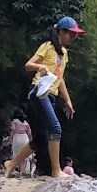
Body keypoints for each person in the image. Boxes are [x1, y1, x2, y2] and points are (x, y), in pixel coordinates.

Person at [24, 16, 83, 178]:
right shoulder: (47, 46)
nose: (73, 38)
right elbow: (28, 65)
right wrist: (40, 66)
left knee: (42, 137)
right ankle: (56, 170)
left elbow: (60, 78)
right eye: (71, 34)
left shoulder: (64, 53)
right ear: (61, 32)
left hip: (51, 95)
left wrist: (68, 100)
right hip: (39, 91)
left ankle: (10, 165)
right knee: (55, 128)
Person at [1, 107, 35, 176]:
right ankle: (24, 171)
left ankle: (16, 171)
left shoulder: (14, 122)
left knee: (17, 154)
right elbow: (29, 134)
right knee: (24, 154)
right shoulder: (26, 123)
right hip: (25, 138)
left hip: (17, 138)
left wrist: (10, 140)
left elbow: (12, 132)